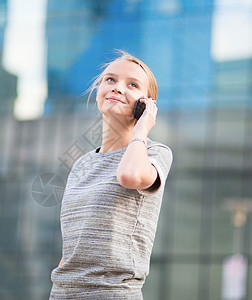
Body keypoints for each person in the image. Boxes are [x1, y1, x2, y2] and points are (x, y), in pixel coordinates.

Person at [50, 50, 173, 299]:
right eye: (110, 80)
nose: (118, 88)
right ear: (98, 91)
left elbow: (128, 176)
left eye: (132, 85)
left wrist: (142, 128)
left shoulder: (154, 153)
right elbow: (73, 244)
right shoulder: (82, 164)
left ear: (146, 104)